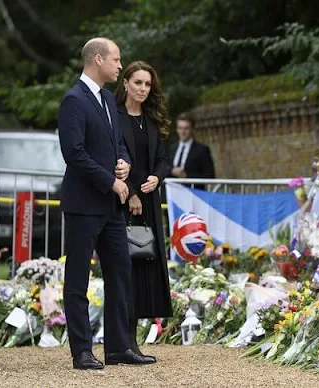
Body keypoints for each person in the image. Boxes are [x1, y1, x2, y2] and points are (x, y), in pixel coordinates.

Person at [57, 37, 154, 370]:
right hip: (84, 204)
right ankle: (82, 350)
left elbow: (119, 145)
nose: (119, 63)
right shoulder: (73, 100)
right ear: (97, 59)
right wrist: (111, 181)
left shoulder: (108, 101)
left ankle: (118, 348)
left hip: (111, 208)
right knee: (78, 279)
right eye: (115, 59)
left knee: (121, 274)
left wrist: (124, 164)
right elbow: (75, 154)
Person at [114, 61, 172, 361]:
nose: (143, 89)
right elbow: (115, 157)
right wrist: (133, 192)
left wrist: (157, 177)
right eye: (138, 82)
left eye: (147, 84)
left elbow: (163, 158)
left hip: (149, 203)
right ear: (125, 83)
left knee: (146, 267)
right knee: (127, 270)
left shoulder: (149, 118)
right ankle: (123, 344)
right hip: (123, 203)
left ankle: (131, 342)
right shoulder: (114, 115)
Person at [168, 112, 215, 190]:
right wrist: (172, 171)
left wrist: (187, 176)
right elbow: (165, 168)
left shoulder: (202, 150)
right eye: (180, 128)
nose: (183, 132)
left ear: (192, 129)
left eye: (186, 128)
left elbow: (209, 176)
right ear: (177, 130)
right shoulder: (172, 148)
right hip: (173, 194)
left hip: (194, 194)